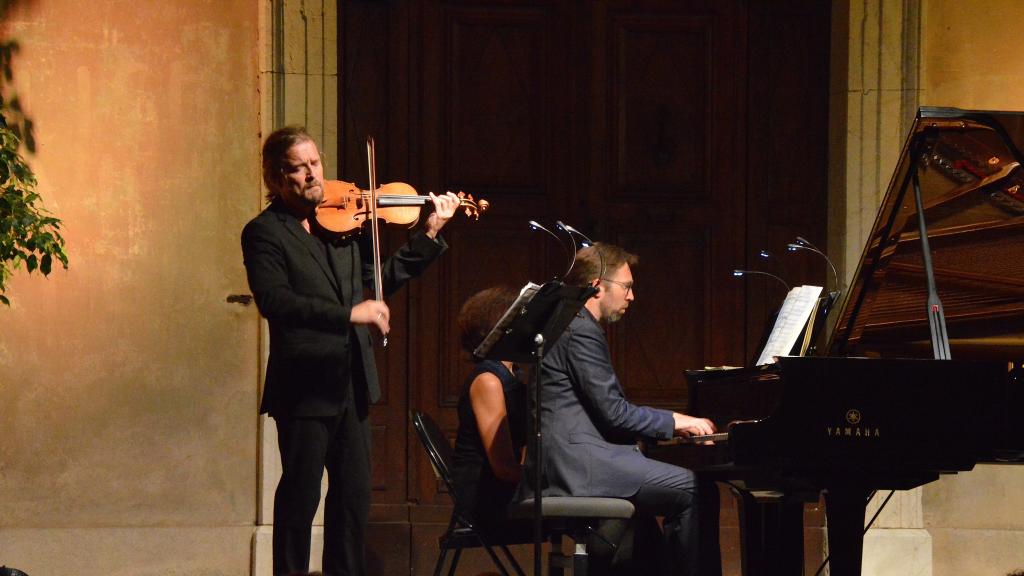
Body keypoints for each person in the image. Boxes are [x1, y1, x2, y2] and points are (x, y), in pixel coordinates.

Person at [242, 126, 461, 576]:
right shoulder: (264, 233)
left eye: (315, 163)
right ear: (275, 178)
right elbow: (276, 302)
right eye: (298, 168)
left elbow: (380, 284)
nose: (311, 175)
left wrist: (429, 233)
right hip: (304, 385)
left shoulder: (343, 226)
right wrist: (348, 314)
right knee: (300, 500)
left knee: (351, 502)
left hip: (352, 382)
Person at [516, 242, 722, 576]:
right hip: (577, 468)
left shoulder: (569, 324)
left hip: (571, 462)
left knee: (652, 521)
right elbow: (614, 413)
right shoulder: (579, 328)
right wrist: (675, 421)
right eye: (626, 287)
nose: (632, 297)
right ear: (597, 287)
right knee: (694, 490)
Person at [449, 286, 529, 538]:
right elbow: (504, 468)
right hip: (486, 505)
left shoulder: (513, 376)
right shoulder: (489, 380)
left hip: (504, 495)